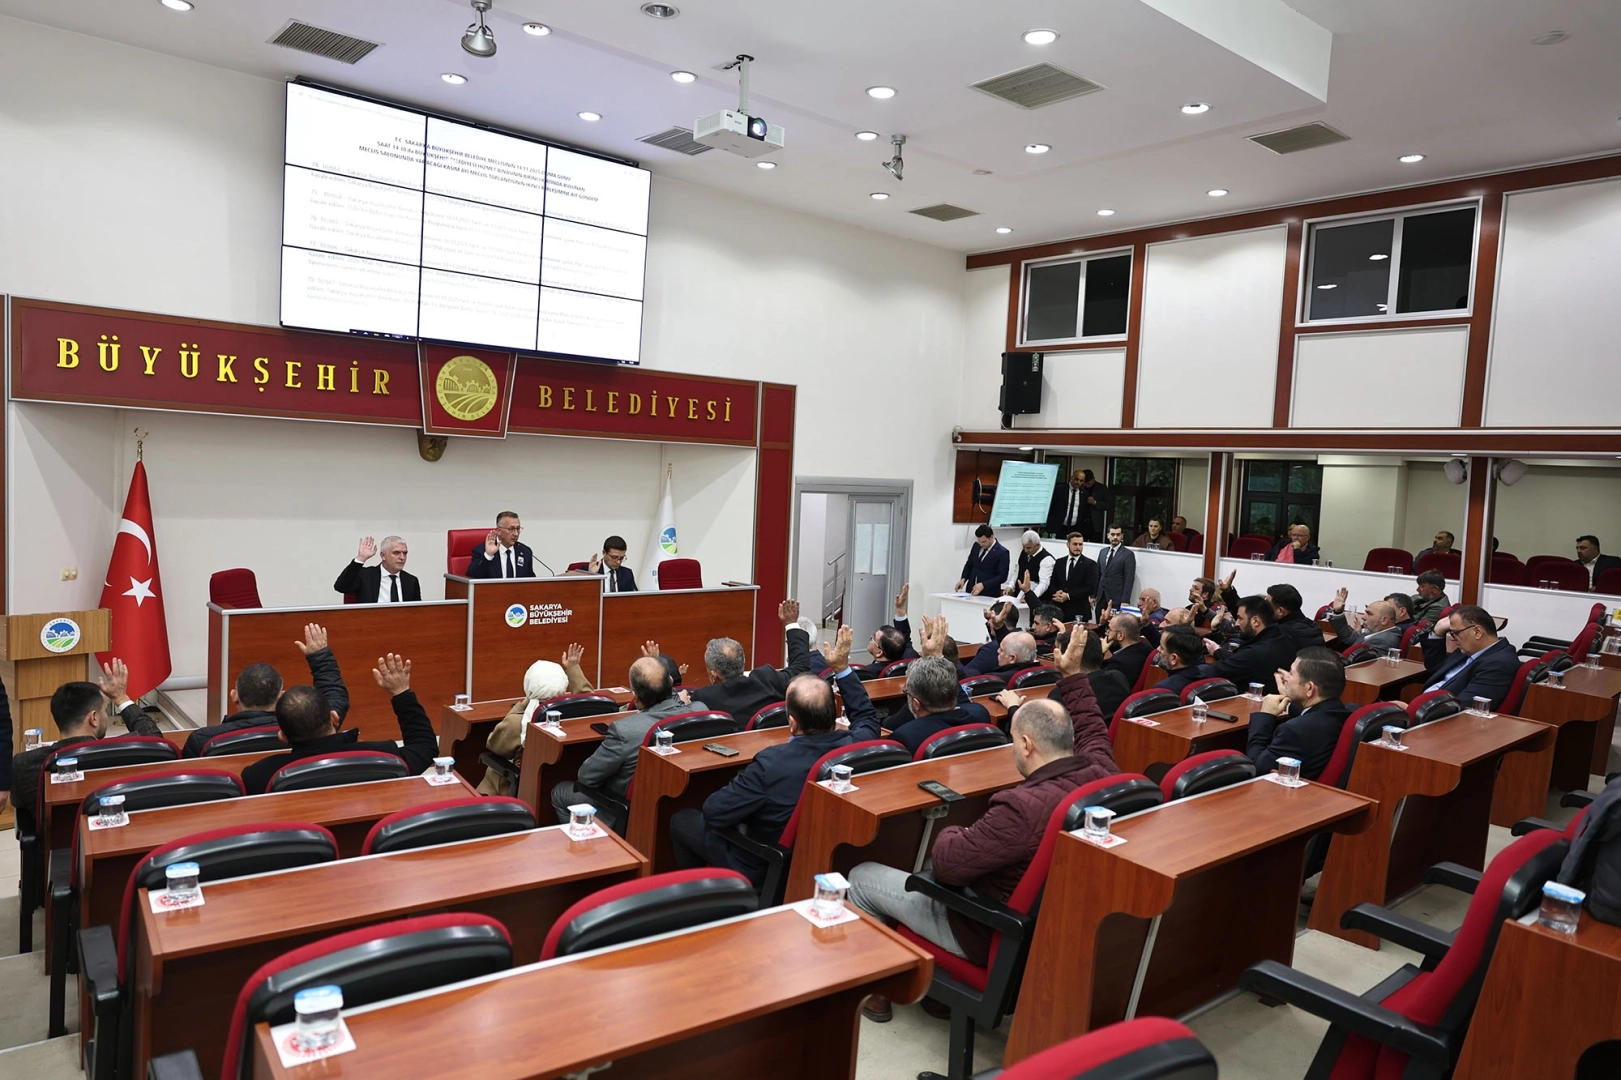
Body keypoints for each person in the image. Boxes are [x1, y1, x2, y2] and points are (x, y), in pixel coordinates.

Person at [850, 692, 1117, 1021]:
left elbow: (947, 866)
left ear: (1026, 745)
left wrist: (954, 830)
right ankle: (937, 999)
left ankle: (876, 994)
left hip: (977, 927)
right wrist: (1074, 675)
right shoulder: (1101, 772)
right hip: (1040, 923)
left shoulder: (1022, 808)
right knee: (931, 866)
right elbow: (1094, 729)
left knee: (861, 877)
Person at [669, 626, 868, 884]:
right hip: (819, 855)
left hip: (759, 861)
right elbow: (866, 717)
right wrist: (843, 670)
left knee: (682, 820)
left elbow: (714, 812)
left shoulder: (771, 764)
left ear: (792, 723)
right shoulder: (857, 745)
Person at [550, 648, 711, 831]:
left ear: (635, 696)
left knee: (560, 791)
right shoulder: (701, 711)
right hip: (682, 804)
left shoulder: (625, 730)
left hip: (625, 812)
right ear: (671, 683)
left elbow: (586, 777)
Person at [240, 651, 438, 795]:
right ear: (334, 719)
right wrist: (402, 693)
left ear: (282, 736)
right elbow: (425, 746)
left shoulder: (259, 775)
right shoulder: (385, 755)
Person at [9, 660, 154, 816]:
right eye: (104, 710)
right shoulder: (122, 753)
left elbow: (19, 806)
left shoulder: (23, 765)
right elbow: (153, 737)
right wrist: (121, 698)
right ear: (94, 718)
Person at [183, 624, 348, 757]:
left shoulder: (202, 740)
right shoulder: (306, 728)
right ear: (281, 698)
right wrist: (320, 656)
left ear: (234, 696)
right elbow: (336, 696)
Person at [476, 647, 595, 796]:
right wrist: (573, 668)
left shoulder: (518, 723)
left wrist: (522, 704)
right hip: (562, 786)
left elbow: (494, 745)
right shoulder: (575, 716)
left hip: (522, 790)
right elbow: (590, 703)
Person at [692, 602, 815, 724]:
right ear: (743, 661)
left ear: (714, 674)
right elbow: (800, 671)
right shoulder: (767, 680)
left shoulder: (704, 697)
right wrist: (791, 623)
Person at [1246, 647, 1352, 780]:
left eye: (1291, 673)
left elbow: (1256, 767)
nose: (1285, 678)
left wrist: (1266, 715)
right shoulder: (1345, 712)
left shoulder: (1294, 731)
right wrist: (1289, 698)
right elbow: (1314, 715)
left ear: (1309, 688)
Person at [1418, 604, 1519, 710]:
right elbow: (1435, 668)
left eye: (1456, 633)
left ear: (1477, 632)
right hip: (1426, 704)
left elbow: (1463, 707)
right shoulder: (1471, 649)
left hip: (1433, 713)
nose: (1453, 639)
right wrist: (1437, 632)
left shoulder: (1498, 664)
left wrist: (1415, 711)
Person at [1197, 595, 1300, 695]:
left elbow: (1213, 671)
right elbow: (1241, 660)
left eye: (1240, 618)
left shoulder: (1255, 652)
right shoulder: (1284, 638)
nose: (1237, 623)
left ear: (1256, 621)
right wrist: (1218, 652)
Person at [334, 535, 421, 604]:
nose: (402, 557)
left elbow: (417, 612)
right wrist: (360, 558)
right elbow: (340, 587)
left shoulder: (411, 581)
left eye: (405, 553)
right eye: (396, 553)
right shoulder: (365, 576)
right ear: (383, 556)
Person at [856, 586, 917, 679]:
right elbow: (906, 640)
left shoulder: (868, 673)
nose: (870, 637)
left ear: (879, 652)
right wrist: (900, 609)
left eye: (873, 638)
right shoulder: (911, 656)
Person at [466, 511, 535, 579]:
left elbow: (531, 580)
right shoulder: (482, 551)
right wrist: (488, 555)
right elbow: (472, 577)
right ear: (499, 531)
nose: (516, 534)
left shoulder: (525, 552)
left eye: (518, 529)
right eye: (511, 529)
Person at [1326, 592, 1403, 652]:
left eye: (1369, 614)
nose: (1363, 617)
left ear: (1384, 620)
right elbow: (1349, 638)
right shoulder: (1377, 631)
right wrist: (1338, 612)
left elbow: (1353, 661)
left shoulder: (1382, 641)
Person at [1049, 532, 1098, 623]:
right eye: (1075, 544)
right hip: (1059, 611)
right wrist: (1057, 593)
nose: (1078, 547)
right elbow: (1052, 584)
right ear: (1068, 545)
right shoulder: (1060, 562)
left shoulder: (1090, 564)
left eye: (1080, 544)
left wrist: (1068, 596)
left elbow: (1090, 588)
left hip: (1079, 611)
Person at [963, 629, 1040, 680]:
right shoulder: (1040, 673)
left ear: (1012, 658)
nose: (997, 651)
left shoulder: (993, 679)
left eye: (1001, 650)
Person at [1003, 530, 1055, 606]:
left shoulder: (1047, 559)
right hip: (1019, 597)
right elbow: (1017, 571)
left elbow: (1044, 584)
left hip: (1037, 601)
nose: (1025, 550)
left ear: (1037, 545)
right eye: (1024, 547)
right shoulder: (1023, 553)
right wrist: (1010, 586)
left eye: (1028, 548)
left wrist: (1030, 597)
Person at [1154, 630, 1210, 698]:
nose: (1158, 649)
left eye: (1162, 647)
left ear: (1174, 658)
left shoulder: (1163, 690)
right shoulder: (1209, 671)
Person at [956, 525, 1009, 596]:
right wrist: (963, 578)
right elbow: (969, 565)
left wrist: (984, 585)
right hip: (970, 592)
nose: (981, 544)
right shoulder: (976, 546)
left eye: (983, 542)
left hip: (989, 594)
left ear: (991, 537)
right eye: (979, 541)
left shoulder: (1002, 552)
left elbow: (1002, 576)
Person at [1101, 614, 1151, 688]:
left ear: (1120, 635)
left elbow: (1097, 681)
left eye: (1109, 629)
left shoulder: (1118, 663)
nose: (1107, 633)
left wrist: (1100, 652)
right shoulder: (1146, 648)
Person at [1096, 525, 1137, 611]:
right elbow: (1098, 574)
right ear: (1108, 535)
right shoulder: (1102, 552)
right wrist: (1093, 595)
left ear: (1122, 536)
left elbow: (1129, 579)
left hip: (1116, 599)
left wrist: (1125, 600)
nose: (1115, 537)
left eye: (1118, 535)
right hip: (1101, 597)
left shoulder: (1128, 554)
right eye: (1112, 534)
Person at [1048, 468, 1090, 535]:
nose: (1078, 482)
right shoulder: (1059, 489)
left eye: (1081, 481)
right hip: (1058, 526)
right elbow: (1051, 506)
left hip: (1075, 528)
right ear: (1071, 477)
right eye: (1076, 479)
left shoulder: (1084, 494)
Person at [1078, 470, 1114, 542]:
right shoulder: (1079, 488)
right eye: (1085, 483)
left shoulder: (1102, 488)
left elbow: (1109, 505)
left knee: (1095, 543)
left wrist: (1095, 502)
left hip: (1095, 524)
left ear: (1093, 479)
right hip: (1080, 523)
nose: (1087, 485)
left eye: (1089, 483)